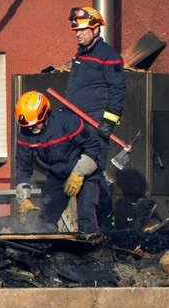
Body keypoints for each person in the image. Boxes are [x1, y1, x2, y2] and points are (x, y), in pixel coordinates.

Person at [63, 5, 125, 226]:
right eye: (76, 30)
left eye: (82, 29)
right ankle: (103, 224)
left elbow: (118, 90)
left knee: (88, 175)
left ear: (96, 28)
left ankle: (91, 229)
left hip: (94, 126)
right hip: (76, 125)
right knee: (90, 176)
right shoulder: (81, 55)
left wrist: (108, 121)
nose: (78, 34)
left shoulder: (109, 56)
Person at [12, 90, 105, 234]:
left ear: (44, 113)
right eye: (27, 126)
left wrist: (78, 174)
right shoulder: (25, 134)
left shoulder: (68, 122)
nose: (31, 128)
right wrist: (23, 198)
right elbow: (23, 166)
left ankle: (94, 253)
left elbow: (93, 148)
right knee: (45, 223)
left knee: (87, 220)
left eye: (35, 124)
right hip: (57, 174)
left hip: (85, 173)